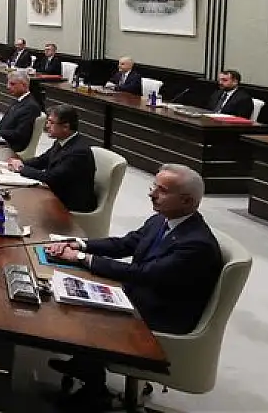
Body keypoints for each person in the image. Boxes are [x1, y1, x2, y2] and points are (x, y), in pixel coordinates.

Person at [45, 164, 223, 410]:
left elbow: (144, 274)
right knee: (74, 287)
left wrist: (81, 259)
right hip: (143, 295)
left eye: (162, 190)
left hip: (162, 315)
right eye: (154, 186)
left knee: (89, 309)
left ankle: (94, 392)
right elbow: (125, 244)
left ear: (187, 201)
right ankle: (86, 364)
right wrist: (80, 245)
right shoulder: (162, 220)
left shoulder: (196, 244)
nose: (152, 193)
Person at [6, 105, 96, 212]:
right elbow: (42, 160)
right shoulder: (62, 140)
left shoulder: (78, 152)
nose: (47, 126)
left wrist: (21, 168)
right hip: (56, 193)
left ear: (65, 127)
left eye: (51, 122)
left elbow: (51, 177)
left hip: (70, 204)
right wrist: (19, 162)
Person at [0, 70, 41, 151]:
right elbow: (4, 124)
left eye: (12, 84)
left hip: (11, 146)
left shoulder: (31, 107)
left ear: (24, 85)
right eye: (8, 83)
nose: (8, 87)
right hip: (2, 138)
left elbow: (20, 135)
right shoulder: (19, 100)